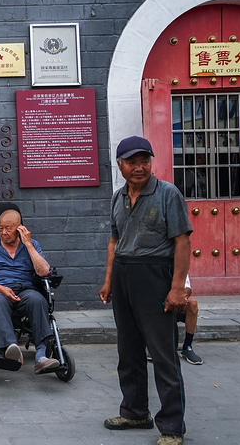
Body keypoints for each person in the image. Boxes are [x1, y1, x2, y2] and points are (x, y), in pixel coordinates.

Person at [99, 136, 192, 445]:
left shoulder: (168, 194)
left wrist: (177, 288)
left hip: (155, 274)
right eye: (131, 162)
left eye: (144, 161)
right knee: (128, 350)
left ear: (152, 162)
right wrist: (109, 280)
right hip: (124, 274)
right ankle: (135, 411)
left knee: (163, 353)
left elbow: (182, 242)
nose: (138, 168)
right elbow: (114, 241)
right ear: (120, 165)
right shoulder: (117, 197)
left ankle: (172, 427)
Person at [0, 208, 60, 374]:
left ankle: (41, 356)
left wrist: (28, 244)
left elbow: (44, 272)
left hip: (25, 290)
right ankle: (10, 348)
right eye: (1, 228)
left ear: (19, 228)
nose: (3, 232)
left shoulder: (31, 244)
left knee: (38, 300)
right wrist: (2, 289)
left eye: (8, 228)